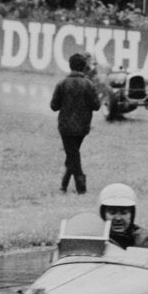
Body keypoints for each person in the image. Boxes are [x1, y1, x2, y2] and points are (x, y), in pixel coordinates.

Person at [50, 52, 101, 194]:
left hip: (65, 127)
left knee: (72, 155)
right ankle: (64, 185)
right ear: (84, 67)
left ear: (70, 66)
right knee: (73, 154)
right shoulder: (89, 85)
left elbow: (54, 106)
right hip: (82, 128)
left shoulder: (62, 84)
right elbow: (96, 106)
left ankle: (81, 187)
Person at [98, 183, 148, 259]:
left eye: (124, 212)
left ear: (132, 214)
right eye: (112, 212)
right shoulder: (94, 242)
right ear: (103, 214)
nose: (118, 218)